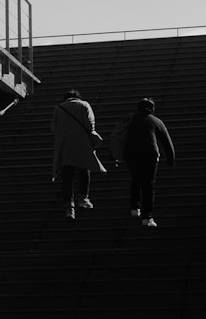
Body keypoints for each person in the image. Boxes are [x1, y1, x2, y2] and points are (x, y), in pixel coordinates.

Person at [117, 97, 176, 228]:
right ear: (152, 109)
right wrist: (170, 159)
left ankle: (134, 208)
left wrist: (114, 154)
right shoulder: (156, 121)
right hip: (149, 155)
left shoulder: (130, 119)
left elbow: (119, 135)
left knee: (136, 179)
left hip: (131, 154)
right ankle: (147, 217)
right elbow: (167, 142)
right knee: (148, 185)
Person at [51, 88, 105, 220]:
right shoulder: (84, 105)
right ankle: (83, 198)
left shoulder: (59, 108)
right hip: (82, 143)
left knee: (67, 176)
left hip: (65, 145)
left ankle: (69, 207)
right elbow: (90, 124)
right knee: (84, 169)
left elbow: (54, 128)